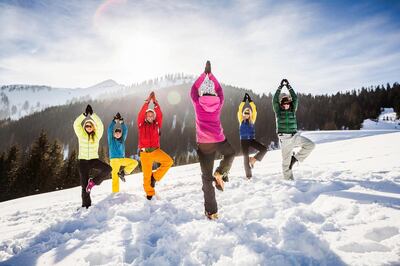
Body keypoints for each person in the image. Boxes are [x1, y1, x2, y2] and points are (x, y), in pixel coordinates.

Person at [191, 60, 235, 220]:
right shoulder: (218, 102)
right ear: (214, 94)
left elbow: (194, 89)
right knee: (230, 154)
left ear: (203, 93)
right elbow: (220, 90)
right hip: (218, 139)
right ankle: (221, 172)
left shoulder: (197, 103)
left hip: (204, 143)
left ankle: (212, 212)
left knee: (206, 178)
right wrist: (211, 75)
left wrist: (204, 74)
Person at [272, 79, 315, 180]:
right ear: (281, 104)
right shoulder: (278, 111)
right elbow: (274, 100)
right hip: (285, 139)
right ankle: (289, 182)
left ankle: (295, 159)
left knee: (310, 145)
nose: (286, 105)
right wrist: (280, 87)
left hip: (294, 136)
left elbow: (295, 98)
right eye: (284, 103)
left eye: (287, 103)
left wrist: (289, 87)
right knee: (286, 164)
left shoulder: (292, 110)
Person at [73, 104, 112, 208]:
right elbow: (76, 124)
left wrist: (92, 115)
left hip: (93, 160)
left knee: (108, 169)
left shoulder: (97, 135)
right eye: (86, 126)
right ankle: (86, 206)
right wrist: (84, 115)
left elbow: (101, 125)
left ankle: (93, 182)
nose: (88, 127)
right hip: (83, 162)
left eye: (90, 126)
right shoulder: (81, 135)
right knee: (84, 186)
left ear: (93, 127)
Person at [137, 91, 173, 200]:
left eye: (152, 115)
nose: (150, 116)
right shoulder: (141, 125)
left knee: (168, 161)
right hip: (144, 154)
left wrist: (155, 103)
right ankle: (149, 194)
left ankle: (155, 176)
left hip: (156, 151)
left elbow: (160, 115)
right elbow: (141, 113)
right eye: (148, 115)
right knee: (146, 176)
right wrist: (147, 102)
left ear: (154, 117)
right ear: (145, 116)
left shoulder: (157, 124)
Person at [238, 93, 267, 178]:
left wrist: (250, 101)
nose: (246, 114)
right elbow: (239, 109)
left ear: (250, 114)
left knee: (264, 149)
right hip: (243, 141)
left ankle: (254, 159)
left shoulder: (252, 120)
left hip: (251, 140)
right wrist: (244, 101)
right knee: (245, 159)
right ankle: (249, 176)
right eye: (245, 113)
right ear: (243, 113)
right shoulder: (240, 119)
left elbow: (254, 109)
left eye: (248, 113)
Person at [108, 112, 139, 193]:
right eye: (116, 133)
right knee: (115, 178)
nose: (118, 134)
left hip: (122, 159)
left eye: (119, 133)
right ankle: (115, 193)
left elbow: (125, 130)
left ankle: (123, 173)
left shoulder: (122, 140)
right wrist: (114, 121)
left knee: (134, 162)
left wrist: (122, 123)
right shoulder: (111, 140)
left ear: (121, 134)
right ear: (114, 134)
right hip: (114, 161)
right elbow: (109, 130)